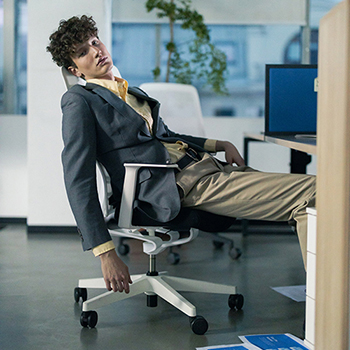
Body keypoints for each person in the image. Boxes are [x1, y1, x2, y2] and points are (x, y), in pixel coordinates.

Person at [47, 15, 316, 294]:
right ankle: (324, 306)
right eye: (83, 52)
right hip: (177, 186)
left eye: (94, 42)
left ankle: (324, 300)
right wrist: (105, 252)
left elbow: (164, 136)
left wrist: (217, 143)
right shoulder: (80, 101)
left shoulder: (131, 92)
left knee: (311, 203)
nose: (96, 51)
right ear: (75, 70)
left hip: (205, 168)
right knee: (313, 191)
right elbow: (77, 177)